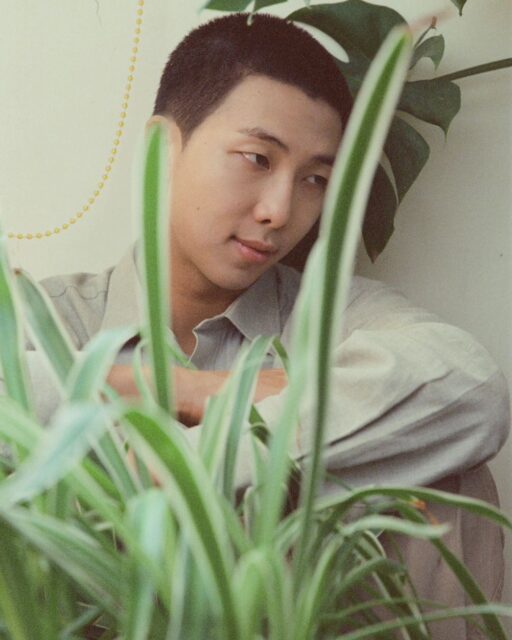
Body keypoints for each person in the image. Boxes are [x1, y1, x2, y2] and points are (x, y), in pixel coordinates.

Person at [4, 13, 510, 637]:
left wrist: (187, 398)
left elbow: (471, 388)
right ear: (164, 150)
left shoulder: (333, 317)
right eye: (256, 158)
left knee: (442, 466)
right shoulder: (53, 315)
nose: (279, 210)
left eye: (315, 179)